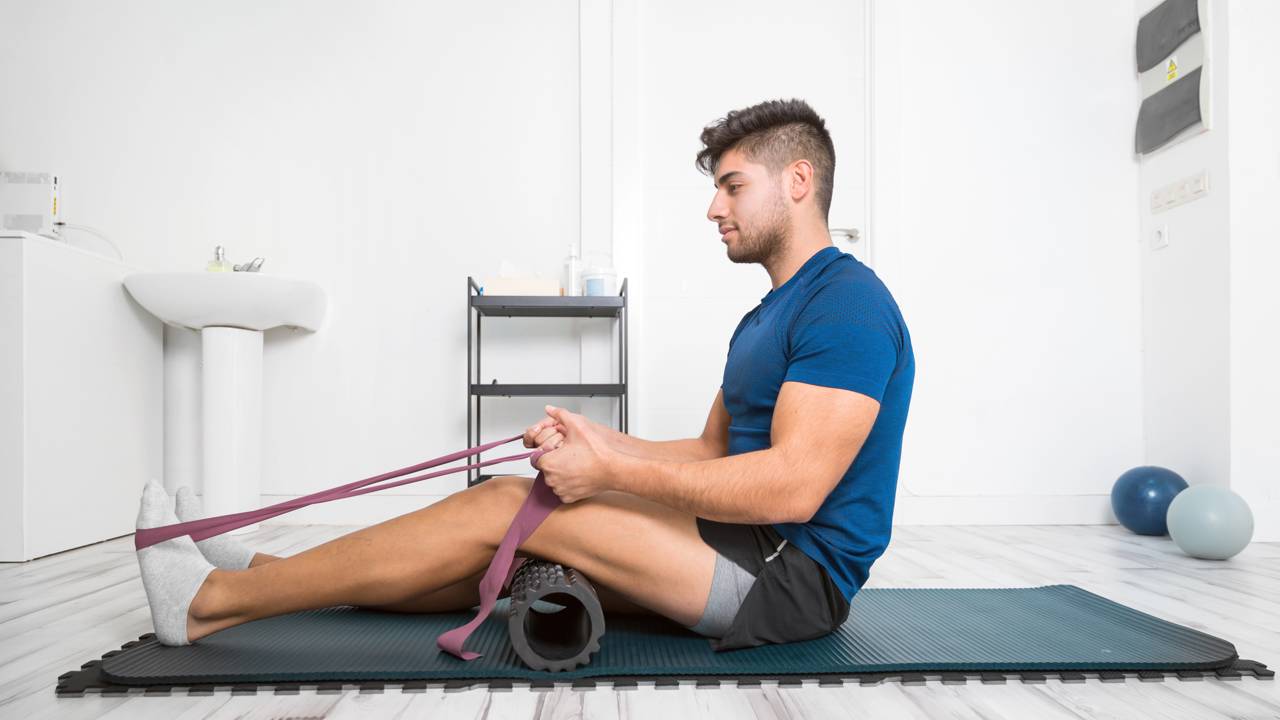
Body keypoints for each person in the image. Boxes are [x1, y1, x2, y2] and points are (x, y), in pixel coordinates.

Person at [135, 97, 914, 651]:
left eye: (732, 185)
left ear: (799, 182)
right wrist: (601, 442)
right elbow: (713, 453)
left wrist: (611, 473)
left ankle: (211, 604)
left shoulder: (846, 306)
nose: (713, 207)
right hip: (735, 543)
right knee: (510, 512)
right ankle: (272, 570)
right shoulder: (768, 314)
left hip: (787, 581)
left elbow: (791, 489)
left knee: (516, 508)